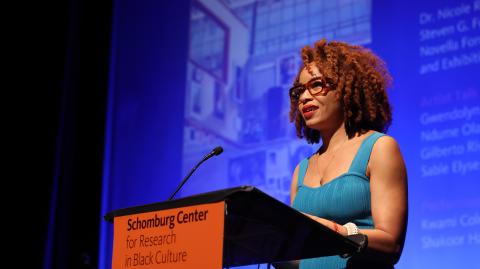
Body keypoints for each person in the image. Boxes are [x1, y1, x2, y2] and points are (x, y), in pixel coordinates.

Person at [287, 39, 408, 268]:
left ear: (344, 86)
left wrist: (333, 231)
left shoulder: (379, 148)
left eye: (316, 85)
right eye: (299, 91)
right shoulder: (300, 171)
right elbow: (298, 259)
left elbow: (391, 244)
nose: (304, 97)